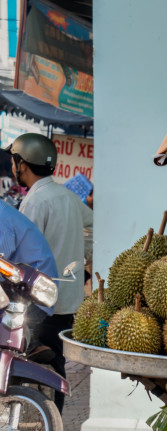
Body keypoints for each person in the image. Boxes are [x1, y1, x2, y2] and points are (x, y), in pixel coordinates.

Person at [7, 133, 92, 411]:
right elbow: (96, 226)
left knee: (28, 358)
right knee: (57, 360)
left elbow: (22, 252)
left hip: (42, 300)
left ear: (22, 164)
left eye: (13, 161)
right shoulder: (67, 196)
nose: (12, 167)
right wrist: (85, 266)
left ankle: (40, 421)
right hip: (70, 299)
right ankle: (52, 421)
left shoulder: (35, 201)